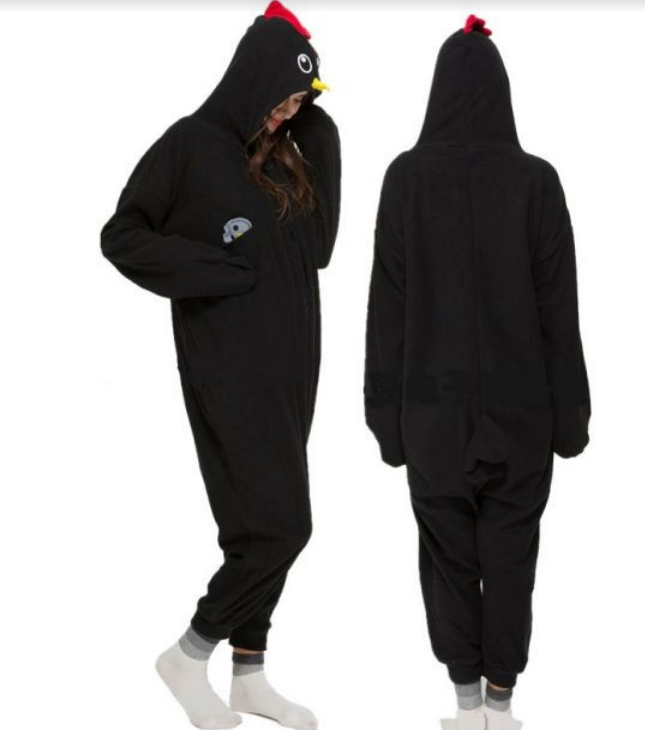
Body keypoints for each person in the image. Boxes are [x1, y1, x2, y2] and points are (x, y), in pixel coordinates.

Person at [99, 2, 341, 729]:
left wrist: (317, 126)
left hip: (293, 369)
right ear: (251, 80)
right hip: (230, 369)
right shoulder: (189, 144)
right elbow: (122, 235)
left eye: (297, 103)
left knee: (254, 530)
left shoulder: (284, 154)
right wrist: (210, 269)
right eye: (281, 99)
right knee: (283, 527)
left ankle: (250, 674)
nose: (287, 114)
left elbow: (321, 249)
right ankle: (188, 653)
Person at [364, 14, 590, 730]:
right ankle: (500, 703)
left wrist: (384, 419)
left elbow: (387, 311)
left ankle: (465, 705)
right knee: (512, 556)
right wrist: (571, 421)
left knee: (446, 558)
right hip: (522, 413)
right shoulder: (536, 182)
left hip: (431, 413)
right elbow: (560, 314)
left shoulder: (405, 180)